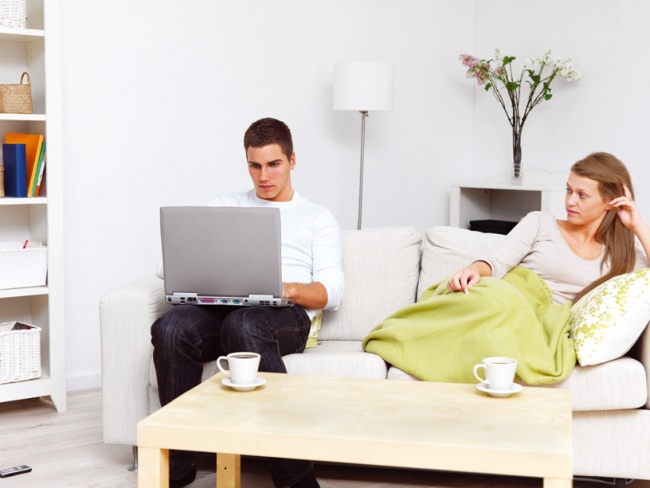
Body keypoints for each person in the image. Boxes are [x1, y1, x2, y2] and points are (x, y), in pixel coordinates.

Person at [151, 117, 344, 488]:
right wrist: (198, 268)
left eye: (274, 164)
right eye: (254, 166)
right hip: (220, 309)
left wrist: (284, 288)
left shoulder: (317, 218)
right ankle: (178, 466)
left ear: (292, 160)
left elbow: (332, 291)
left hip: (284, 315)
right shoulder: (225, 205)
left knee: (243, 324)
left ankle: (295, 478)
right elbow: (166, 266)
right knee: (171, 327)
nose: (263, 176)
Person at [447, 151, 650, 304]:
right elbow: (497, 262)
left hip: (537, 323)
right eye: (568, 190)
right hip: (503, 300)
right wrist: (473, 269)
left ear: (610, 202)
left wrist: (638, 225)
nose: (570, 201)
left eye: (582, 195)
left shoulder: (623, 254)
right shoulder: (539, 223)